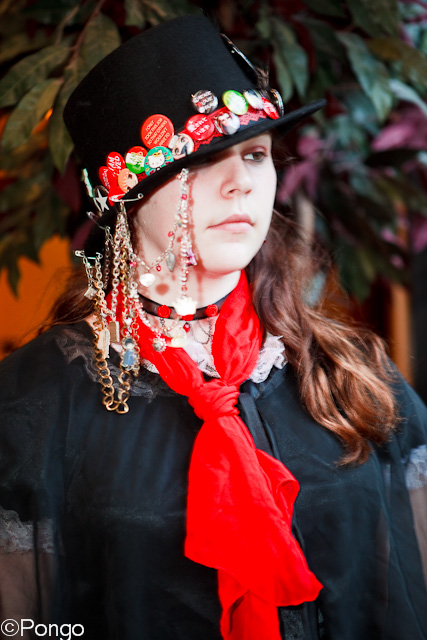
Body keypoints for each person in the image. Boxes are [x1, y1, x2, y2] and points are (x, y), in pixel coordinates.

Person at [0, 14, 426, 640]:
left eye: (255, 154)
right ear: (125, 198)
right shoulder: (32, 402)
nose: (240, 183)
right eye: (198, 162)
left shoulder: (352, 369)